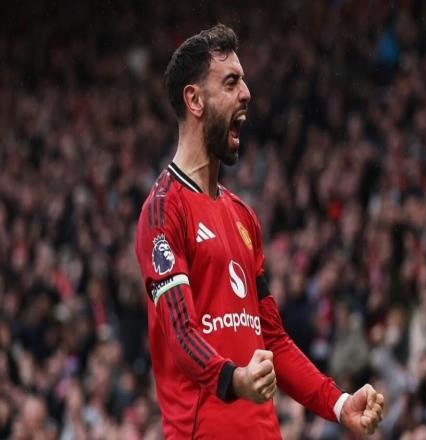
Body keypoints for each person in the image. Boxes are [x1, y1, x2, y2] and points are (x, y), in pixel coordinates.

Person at [135, 24, 384, 439]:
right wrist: (234, 379)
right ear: (194, 100)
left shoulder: (244, 217)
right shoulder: (163, 210)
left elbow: (273, 339)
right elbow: (181, 334)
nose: (247, 93)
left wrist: (339, 404)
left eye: (244, 81)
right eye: (231, 82)